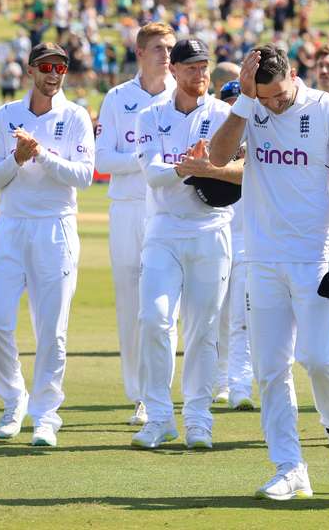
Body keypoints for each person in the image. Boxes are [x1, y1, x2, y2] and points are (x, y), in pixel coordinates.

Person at [208, 45, 329, 500]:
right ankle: (290, 466)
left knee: (317, 358)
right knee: (270, 368)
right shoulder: (251, 105)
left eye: (279, 96)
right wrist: (245, 98)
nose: (274, 105)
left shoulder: (327, 108)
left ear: (293, 76)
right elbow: (219, 157)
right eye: (266, 97)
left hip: (314, 255)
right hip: (261, 258)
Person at [0, 42, 95, 447]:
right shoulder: (7, 115)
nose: (54, 73)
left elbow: (84, 176)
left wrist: (40, 153)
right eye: (45, 66)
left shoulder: (76, 115)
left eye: (60, 67)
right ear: (30, 71)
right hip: (11, 226)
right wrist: (17, 159)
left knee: (52, 332)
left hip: (55, 228)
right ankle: (14, 399)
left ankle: (46, 416)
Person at [130, 38, 239, 451]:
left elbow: (241, 168)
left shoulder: (224, 114)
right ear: (173, 70)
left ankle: (198, 418)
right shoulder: (150, 116)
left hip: (211, 228)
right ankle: (159, 417)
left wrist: (212, 168)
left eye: (204, 66)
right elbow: (153, 174)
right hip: (163, 228)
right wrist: (187, 166)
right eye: (191, 67)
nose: (200, 74)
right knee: (154, 320)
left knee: (203, 328)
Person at [95, 22, 177, 426]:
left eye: (170, 48)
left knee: (161, 308)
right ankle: (139, 394)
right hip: (126, 207)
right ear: (140, 52)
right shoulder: (117, 98)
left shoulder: (183, 97)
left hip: (168, 208)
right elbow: (101, 159)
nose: (166, 54)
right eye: (159, 48)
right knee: (131, 304)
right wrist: (145, 158)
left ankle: (161, 391)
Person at [214, 79, 255, 411]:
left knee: (242, 315)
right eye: (228, 100)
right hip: (215, 234)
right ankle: (220, 380)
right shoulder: (217, 140)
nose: (233, 106)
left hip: (247, 239)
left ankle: (241, 384)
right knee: (215, 313)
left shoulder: (260, 137)